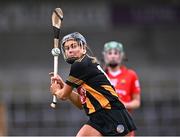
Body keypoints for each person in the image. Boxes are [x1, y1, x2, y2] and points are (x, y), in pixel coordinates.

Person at [49, 32, 136, 136]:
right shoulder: (85, 64)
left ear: (83, 47)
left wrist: (56, 91)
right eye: (67, 48)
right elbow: (80, 103)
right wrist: (63, 86)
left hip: (112, 115)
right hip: (99, 117)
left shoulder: (80, 65)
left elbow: (63, 96)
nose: (70, 50)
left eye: (73, 46)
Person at [103, 41, 141, 137]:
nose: (113, 56)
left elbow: (137, 102)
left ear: (121, 56)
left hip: (125, 122)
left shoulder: (131, 75)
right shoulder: (101, 76)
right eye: (109, 53)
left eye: (116, 53)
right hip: (105, 123)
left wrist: (123, 105)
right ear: (105, 56)